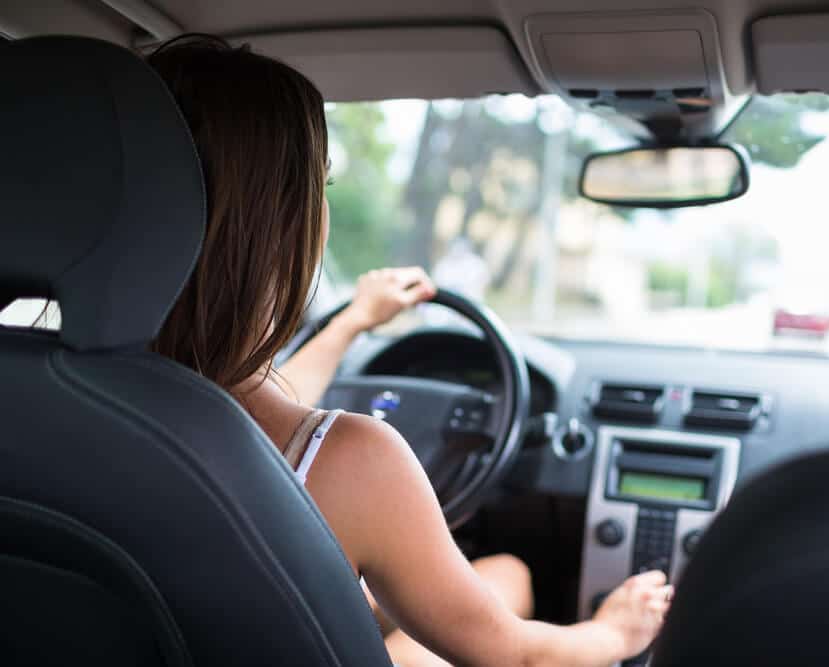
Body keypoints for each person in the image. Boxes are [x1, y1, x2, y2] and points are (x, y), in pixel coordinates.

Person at [149, 35, 671, 667]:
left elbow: (242, 404)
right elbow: (515, 656)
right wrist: (616, 633)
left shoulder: (39, 406)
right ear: (287, 224)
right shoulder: (356, 461)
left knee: (505, 574)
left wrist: (350, 327)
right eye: (323, 186)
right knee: (500, 588)